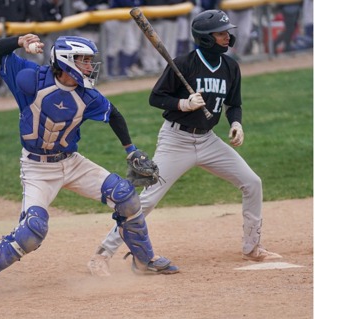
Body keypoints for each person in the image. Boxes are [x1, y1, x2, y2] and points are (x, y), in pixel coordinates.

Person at [0, 34, 179, 301]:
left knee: (126, 197)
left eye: (89, 60)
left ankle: (144, 262)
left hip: (71, 162)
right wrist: (20, 41)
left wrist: (130, 150)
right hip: (37, 168)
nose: (89, 66)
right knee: (32, 231)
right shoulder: (31, 79)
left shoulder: (87, 95)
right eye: (83, 60)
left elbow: (115, 115)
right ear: (65, 61)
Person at [87, 9, 282, 277]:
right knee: (147, 200)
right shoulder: (183, 64)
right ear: (205, 38)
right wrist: (183, 103)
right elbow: (156, 97)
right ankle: (102, 255)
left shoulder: (230, 67)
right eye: (221, 33)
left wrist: (236, 123)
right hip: (175, 140)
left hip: (209, 141)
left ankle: (252, 247)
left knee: (252, 182)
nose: (227, 36)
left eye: (227, 32)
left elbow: (233, 104)